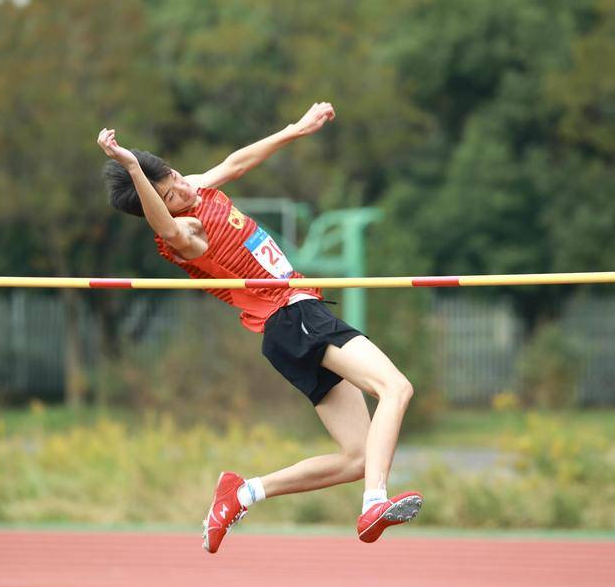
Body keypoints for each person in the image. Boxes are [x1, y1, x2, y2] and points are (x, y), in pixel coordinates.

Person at [98, 102, 422, 553]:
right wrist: (132, 168)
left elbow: (236, 162)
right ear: (160, 208)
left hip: (289, 327)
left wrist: (296, 128)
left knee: (358, 456)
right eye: (169, 194)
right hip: (291, 316)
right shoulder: (184, 235)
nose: (181, 188)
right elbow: (169, 230)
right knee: (395, 388)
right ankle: (374, 502)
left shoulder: (192, 188)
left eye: (173, 176)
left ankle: (242, 494)